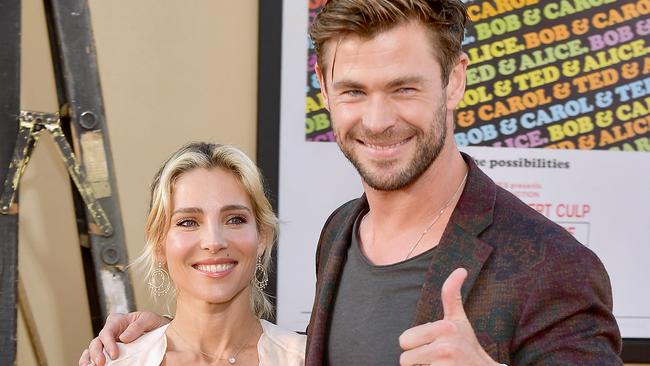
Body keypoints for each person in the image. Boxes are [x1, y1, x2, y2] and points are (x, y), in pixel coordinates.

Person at [81, 1, 623, 365]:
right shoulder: (340, 231)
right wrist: (169, 338)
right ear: (323, 88)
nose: (378, 119)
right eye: (355, 91)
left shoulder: (553, 265)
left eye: (404, 88)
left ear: (454, 80)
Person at [81, 142, 305, 365]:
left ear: (262, 237)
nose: (214, 242)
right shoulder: (118, 362)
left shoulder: (308, 358)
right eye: (188, 222)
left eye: (235, 219)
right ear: (159, 244)